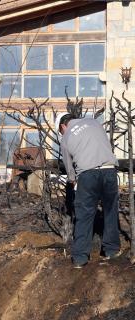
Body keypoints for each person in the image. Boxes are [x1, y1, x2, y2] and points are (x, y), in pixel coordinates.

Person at [55, 112, 121, 269]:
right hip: (109, 170)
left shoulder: (66, 139)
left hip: (88, 174)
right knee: (111, 210)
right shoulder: (95, 123)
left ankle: (80, 258)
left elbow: (70, 171)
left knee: (84, 214)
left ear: (63, 126)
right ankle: (111, 251)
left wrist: (73, 182)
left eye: (60, 131)